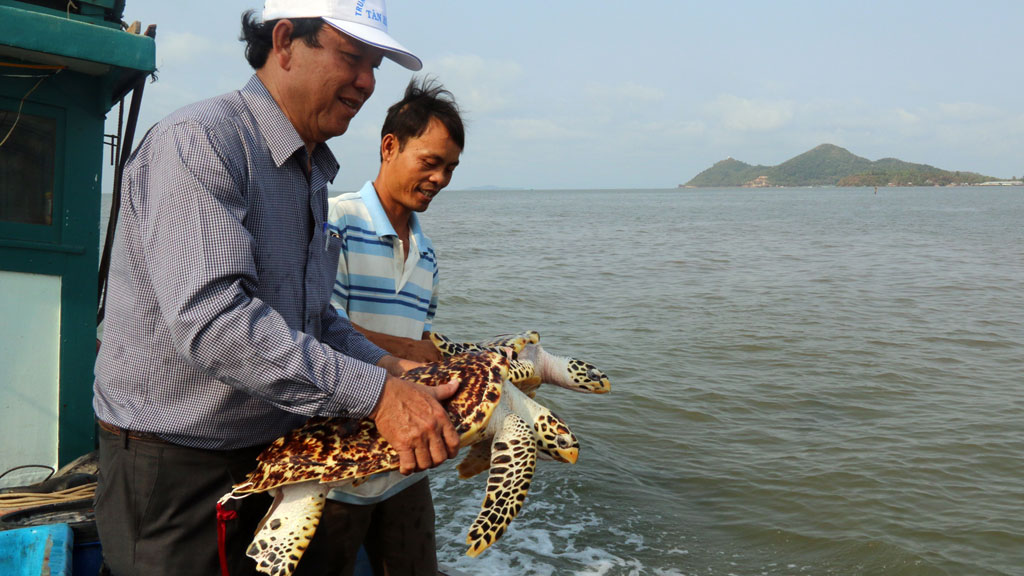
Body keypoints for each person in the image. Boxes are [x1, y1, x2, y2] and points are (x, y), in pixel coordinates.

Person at [91, 2, 461, 575]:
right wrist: (379, 397)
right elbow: (216, 324)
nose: (367, 81)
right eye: (352, 57)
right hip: (177, 471)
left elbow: (314, 317)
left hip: (276, 459)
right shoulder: (201, 143)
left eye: (374, 66)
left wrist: (389, 366)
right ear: (285, 41)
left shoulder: (311, 170)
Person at [303, 77, 464, 574]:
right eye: (430, 162)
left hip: (405, 456)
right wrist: (421, 355)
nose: (439, 178)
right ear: (389, 146)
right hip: (335, 454)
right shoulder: (335, 220)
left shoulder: (428, 253)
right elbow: (316, 327)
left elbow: (421, 340)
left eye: (450, 168)